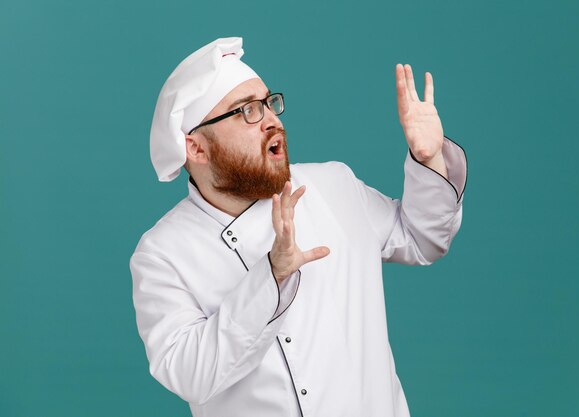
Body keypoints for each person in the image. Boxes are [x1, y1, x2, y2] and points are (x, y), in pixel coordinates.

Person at [130, 37, 467, 417]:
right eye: (246, 111)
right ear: (196, 149)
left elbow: (424, 239)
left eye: (269, 103)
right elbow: (190, 375)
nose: (273, 121)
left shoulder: (334, 186)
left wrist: (430, 158)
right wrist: (272, 275)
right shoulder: (162, 253)